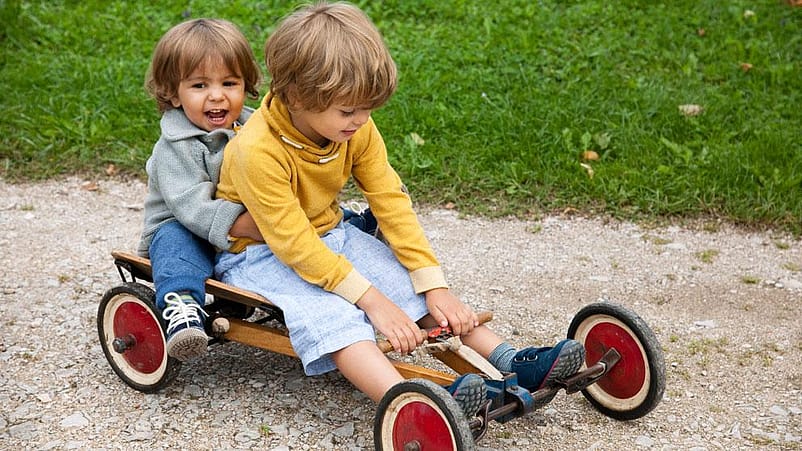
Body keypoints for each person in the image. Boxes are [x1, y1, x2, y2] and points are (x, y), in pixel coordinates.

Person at [214, 1, 585, 417]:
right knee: (334, 315)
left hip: (329, 235)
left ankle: (510, 359)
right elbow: (293, 243)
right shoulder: (257, 150)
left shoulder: (353, 127)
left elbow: (390, 200)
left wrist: (432, 283)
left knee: (408, 289)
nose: (361, 120)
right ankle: (407, 400)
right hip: (260, 253)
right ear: (297, 96)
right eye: (349, 110)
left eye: (368, 107)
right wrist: (371, 302)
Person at [137, 18, 263, 362]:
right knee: (178, 247)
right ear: (172, 94)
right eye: (199, 85)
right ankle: (182, 309)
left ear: (246, 86)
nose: (217, 95)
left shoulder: (256, 129)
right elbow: (191, 207)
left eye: (229, 82)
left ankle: (345, 223)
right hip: (186, 224)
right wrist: (250, 225)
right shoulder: (174, 147)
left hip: (241, 225)